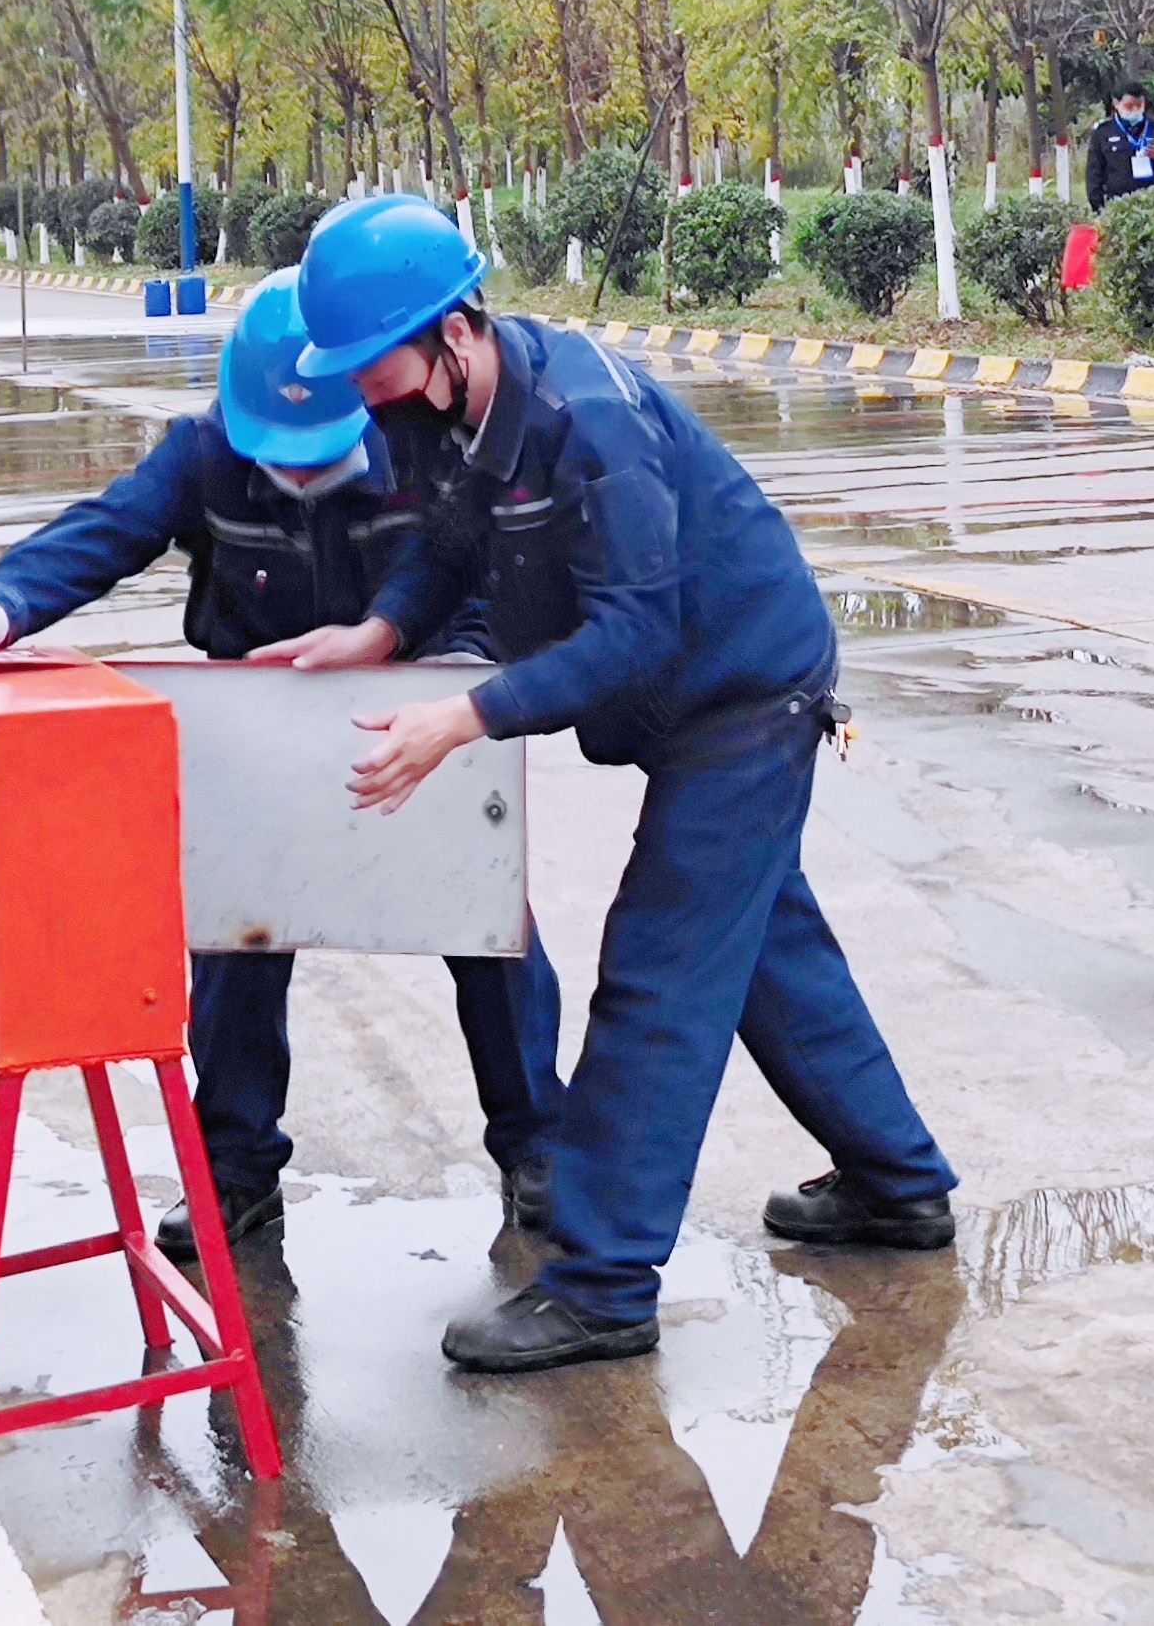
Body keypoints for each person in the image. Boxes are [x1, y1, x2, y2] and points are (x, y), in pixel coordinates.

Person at [281, 193, 956, 1375]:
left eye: (372, 366)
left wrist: (465, 714)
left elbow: (634, 634)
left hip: (742, 688)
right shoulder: (458, 414)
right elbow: (447, 539)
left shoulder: (587, 421)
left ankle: (600, 1281)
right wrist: (382, 633)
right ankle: (897, 1188)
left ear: (451, 333)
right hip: (689, 690)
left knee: (660, 973)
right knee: (762, 952)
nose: (364, 397)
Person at [0, 269, 562, 1257]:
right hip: (257, 726)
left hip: (411, 720)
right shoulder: (207, 451)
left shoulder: (427, 452)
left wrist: (460, 692)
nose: (293, 478)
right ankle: (236, 1172)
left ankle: (540, 1158)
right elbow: (107, 529)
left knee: (486, 925)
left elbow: (480, 583)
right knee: (235, 946)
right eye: (276, 458)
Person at [1083, 84, 1154, 210]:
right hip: (1117, 203)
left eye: (1139, 105)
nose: (1135, 110)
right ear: (1116, 104)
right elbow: (1094, 172)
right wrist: (1098, 207)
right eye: (1129, 106)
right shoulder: (1103, 131)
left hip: (1153, 202)